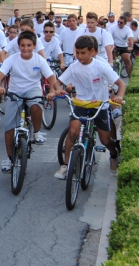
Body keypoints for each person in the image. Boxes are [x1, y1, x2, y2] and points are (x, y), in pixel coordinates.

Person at [49, 35, 126, 176]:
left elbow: (120, 84)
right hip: (81, 104)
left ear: (93, 52)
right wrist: (58, 89)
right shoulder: (74, 67)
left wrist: (119, 96)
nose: (79, 56)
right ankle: (65, 165)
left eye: (83, 53)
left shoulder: (101, 67)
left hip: (99, 105)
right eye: (77, 52)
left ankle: (114, 153)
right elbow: (58, 83)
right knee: (72, 133)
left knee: (104, 139)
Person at [0, 30, 56, 173]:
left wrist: (52, 90)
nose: (26, 48)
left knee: (36, 107)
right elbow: (0, 74)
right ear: (19, 46)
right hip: (15, 92)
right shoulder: (12, 59)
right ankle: (9, 158)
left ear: (34, 46)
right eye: (22, 45)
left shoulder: (39, 60)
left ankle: (37, 132)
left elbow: (51, 76)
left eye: (29, 45)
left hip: (33, 90)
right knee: (9, 126)